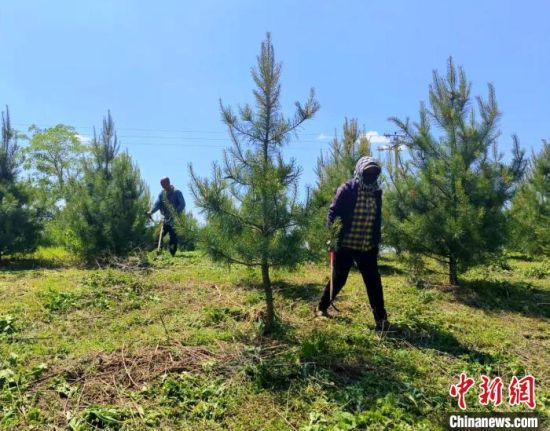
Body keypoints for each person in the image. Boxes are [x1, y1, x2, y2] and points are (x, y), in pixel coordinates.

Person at [316, 156, 389, 331]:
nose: (371, 176)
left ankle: (381, 320)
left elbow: (377, 217)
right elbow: (333, 212)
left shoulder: (376, 193)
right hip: (346, 244)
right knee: (339, 279)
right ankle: (321, 307)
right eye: (367, 172)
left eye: (374, 173)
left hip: (367, 246)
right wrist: (332, 235)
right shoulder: (347, 189)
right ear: (360, 172)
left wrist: (376, 240)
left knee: (373, 282)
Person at [148, 177, 186, 256]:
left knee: (173, 238)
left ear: (168, 182)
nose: (163, 186)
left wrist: (174, 213)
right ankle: (158, 252)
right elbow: (157, 204)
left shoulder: (177, 192)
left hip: (175, 220)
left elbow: (182, 204)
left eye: (164, 184)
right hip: (165, 219)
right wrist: (151, 211)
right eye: (161, 184)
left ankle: (172, 254)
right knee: (158, 234)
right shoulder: (162, 194)